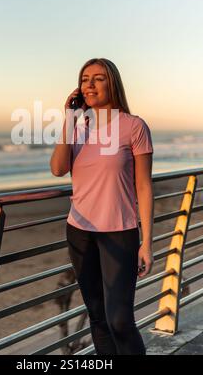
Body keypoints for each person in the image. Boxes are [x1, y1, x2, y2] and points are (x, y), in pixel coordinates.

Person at [50, 58, 154, 355]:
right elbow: (58, 169)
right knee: (97, 317)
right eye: (85, 79)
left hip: (120, 233)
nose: (90, 85)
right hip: (80, 231)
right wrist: (68, 120)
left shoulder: (134, 127)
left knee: (119, 319)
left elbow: (145, 187)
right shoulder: (78, 127)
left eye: (98, 78)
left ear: (113, 83)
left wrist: (146, 242)